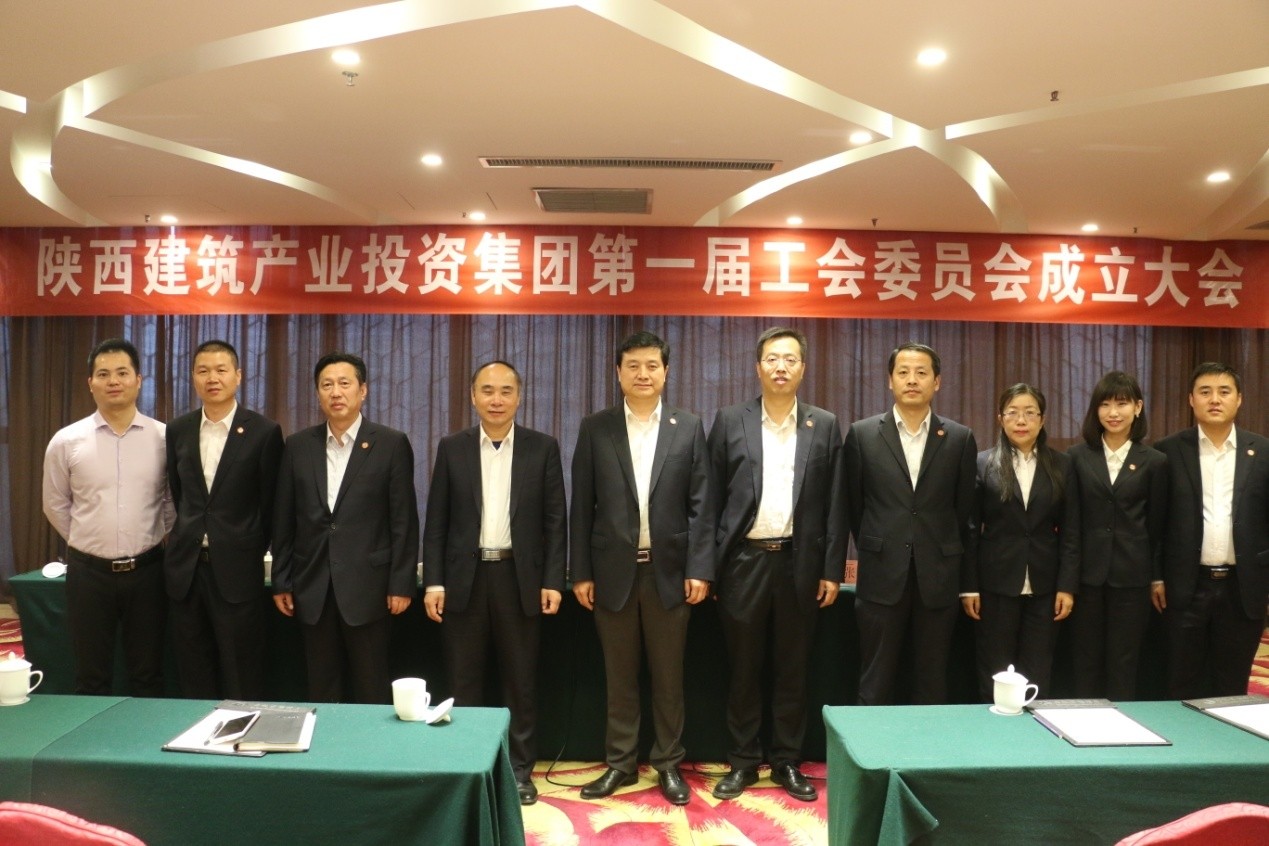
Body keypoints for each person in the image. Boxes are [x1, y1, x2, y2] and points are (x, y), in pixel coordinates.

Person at [570, 330, 712, 806]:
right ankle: (620, 764)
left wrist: (700, 569)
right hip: (612, 573)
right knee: (620, 677)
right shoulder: (596, 427)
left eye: (652, 365)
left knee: (669, 678)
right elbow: (581, 505)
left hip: (669, 573)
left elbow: (702, 505)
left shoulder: (688, 426)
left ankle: (669, 764)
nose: (643, 374)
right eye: (633, 365)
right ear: (618, 372)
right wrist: (581, 572)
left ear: (666, 372)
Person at [708, 327, 844, 802]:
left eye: (790, 359)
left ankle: (787, 761)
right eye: (772, 358)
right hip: (743, 562)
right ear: (758, 367)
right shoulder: (730, 420)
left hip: (799, 564)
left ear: (803, 368)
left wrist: (831, 569)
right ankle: (743, 761)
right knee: (742, 669)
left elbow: (835, 504)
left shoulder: (824, 424)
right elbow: (710, 498)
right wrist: (710, 567)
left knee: (793, 669)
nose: (780, 366)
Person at [422, 361, 566, 806]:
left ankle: (519, 771)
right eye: (487, 390)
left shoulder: (542, 448)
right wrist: (434, 582)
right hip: (464, 580)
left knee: (520, 681)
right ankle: (468, 766)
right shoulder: (453, 447)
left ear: (519, 397)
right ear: (473, 396)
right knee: (463, 680)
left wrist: (552, 580)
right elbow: (437, 521)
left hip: (519, 579)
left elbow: (555, 521)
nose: (496, 399)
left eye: (506, 391)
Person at [271, 352, 419, 704]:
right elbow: (284, 518)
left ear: (362, 390)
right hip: (313, 586)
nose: (335, 392)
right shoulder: (298, 446)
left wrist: (401, 583)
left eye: (344, 383)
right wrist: (282, 579)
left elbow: (404, 520)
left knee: (371, 686)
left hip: (370, 588)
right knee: (322, 687)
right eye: (326, 385)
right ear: (318, 393)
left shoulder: (390, 443)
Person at [843, 342, 977, 705]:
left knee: (932, 678)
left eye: (921, 373)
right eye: (903, 372)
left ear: (937, 382)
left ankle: (928, 743)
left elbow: (962, 511)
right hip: (881, 573)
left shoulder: (959, 438)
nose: (912, 380)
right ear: (890, 380)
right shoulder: (862, 434)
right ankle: (869, 742)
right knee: (875, 678)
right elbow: (854, 506)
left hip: (938, 575)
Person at [42, 338, 175, 695]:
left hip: (148, 572)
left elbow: (171, 501)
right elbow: (54, 503)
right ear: (90, 383)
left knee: (148, 674)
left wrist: (148, 533)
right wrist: (89, 539)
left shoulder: (164, 438)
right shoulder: (66, 441)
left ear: (138, 380)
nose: (113, 381)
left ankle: (146, 731)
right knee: (91, 675)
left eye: (122, 373)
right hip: (88, 574)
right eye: (103, 374)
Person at [164, 339, 283, 700]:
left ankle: (241, 731)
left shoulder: (263, 431)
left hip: (237, 570)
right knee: (193, 667)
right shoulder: (178, 429)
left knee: (241, 669)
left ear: (238, 376)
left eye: (220, 370)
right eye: (203, 371)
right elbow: (181, 495)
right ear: (193, 378)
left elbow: (271, 505)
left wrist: (245, 544)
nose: (212, 378)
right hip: (187, 570)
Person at [1156, 362, 1269, 699]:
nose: (1214, 399)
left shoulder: (1263, 452)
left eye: (1224, 392)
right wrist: (1156, 576)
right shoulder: (1167, 451)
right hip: (1185, 586)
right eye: (1205, 392)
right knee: (1180, 682)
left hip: (1243, 588)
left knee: (1231, 685)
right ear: (1191, 400)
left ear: (1239, 399)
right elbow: (1156, 522)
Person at [961, 384, 1079, 702]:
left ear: (1042, 419)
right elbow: (970, 529)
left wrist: (1066, 586)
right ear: (1000, 419)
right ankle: (994, 727)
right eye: (1012, 413)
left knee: (1038, 668)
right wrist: (969, 587)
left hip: (1046, 585)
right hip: (995, 584)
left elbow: (1071, 530)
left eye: (1029, 413)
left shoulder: (1062, 464)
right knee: (994, 668)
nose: (1021, 420)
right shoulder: (983, 463)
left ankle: (1035, 727)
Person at [1066, 371, 1167, 700]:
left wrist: (1156, 576)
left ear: (1137, 407)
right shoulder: (1077, 457)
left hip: (1132, 576)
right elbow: (1071, 524)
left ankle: (1122, 722)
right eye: (1105, 404)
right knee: (1085, 660)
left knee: (1124, 660)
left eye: (1122, 404)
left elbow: (1157, 526)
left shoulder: (1155, 462)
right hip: (1087, 576)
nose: (1113, 412)